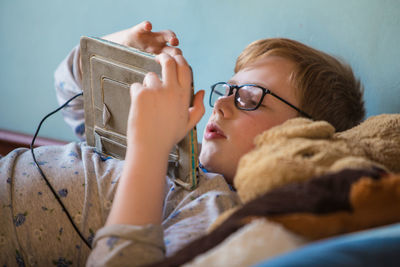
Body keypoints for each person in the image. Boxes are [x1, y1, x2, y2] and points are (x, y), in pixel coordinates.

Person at [0, 21, 364, 266]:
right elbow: (69, 94)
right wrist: (109, 53)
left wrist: (149, 148)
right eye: (228, 89)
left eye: (249, 97)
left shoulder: (212, 207)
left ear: (300, 134)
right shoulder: (172, 146)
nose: (219, 105)